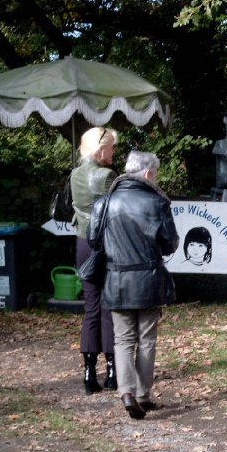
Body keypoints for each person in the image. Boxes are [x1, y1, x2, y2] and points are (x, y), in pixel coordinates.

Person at [89, 151, 180, 420]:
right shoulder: (157, 203)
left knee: (123, 339)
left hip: (116, 280)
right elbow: (170, 244)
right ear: (148, 173)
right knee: (147, 339)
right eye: (156, 173)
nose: (157, 177)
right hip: (149, 280)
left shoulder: (105, 202)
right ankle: (142, 395)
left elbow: (94, 240)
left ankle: (126, 392)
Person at [71, 126, 119, 395]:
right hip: (105, 244)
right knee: (108, 305)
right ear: (101, 150)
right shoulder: (107, 176)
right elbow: (117, 211)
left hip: (82, 243)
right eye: (111, 148)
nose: (114, 152)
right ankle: (112, 371)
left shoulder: (74, 174)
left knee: (91, 307)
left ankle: (89, 373)